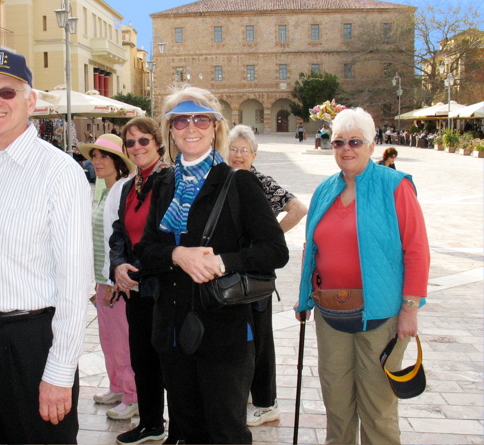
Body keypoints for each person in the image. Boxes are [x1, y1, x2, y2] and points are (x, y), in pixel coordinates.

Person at [0, 49, 93, 445]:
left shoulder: (60, 173)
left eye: (8, 92)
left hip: (32, 343)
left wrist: (60, 372)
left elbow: (75, 284)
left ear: (31, 100)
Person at [137, 85, 289, 444]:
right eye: (180, 120)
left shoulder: (239, 182)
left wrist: (223, 262)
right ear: (170, 130)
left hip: (224, 334)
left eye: (201, 118)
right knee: (186, 430)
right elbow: (144, 251)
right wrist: (177, 255)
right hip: (173, 332)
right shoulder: (164, 183)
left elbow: (274, 250)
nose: (191, 127)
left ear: (215, 126)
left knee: (225, 431)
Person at [296, 107, 430, 445]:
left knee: (377, 407)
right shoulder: (325, 189)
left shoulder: (394, 186)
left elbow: (416, 250)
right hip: (331, 314)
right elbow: (310, 249)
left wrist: (410, 309)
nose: (346, 149)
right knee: (337, 404)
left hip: (382, 315)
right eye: (338, 141)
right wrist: (303, 298)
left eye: (355, 141)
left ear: (372, 146)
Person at [228, 125, 308, 427]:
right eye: (233, 149)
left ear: (254, 155)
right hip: (229, 271)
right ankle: (246, 394)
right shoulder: (223, 179)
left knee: (260, 337)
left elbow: (298, 209)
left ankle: (266, 402)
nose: (237, 155)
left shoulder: (260, 181)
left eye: (243, 150)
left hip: (255, 273)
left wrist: (267, 239)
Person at [108, 117, 175, 445]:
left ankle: (180, 430)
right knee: (142, 359)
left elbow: (168, 238)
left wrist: (136, 270)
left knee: (170, 363)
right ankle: (151, 423)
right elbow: (120, 231)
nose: (137, 148)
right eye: (130, 143)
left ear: (158, 143)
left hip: (163, 287)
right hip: (134, 288)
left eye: (143, 141)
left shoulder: (170, 180)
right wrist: (118, 266)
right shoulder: (129, 186)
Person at [78, 134, 139, 421]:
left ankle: (132, 395)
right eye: (94, 156)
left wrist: (116, 280)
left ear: (118, 162)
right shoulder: (103, 190)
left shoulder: (124, 190)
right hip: (104, 279)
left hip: (118, 281)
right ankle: (117, 386)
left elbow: (125, 239)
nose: (98, 162)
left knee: (123, 340)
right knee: (108, 338)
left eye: (104, 156)